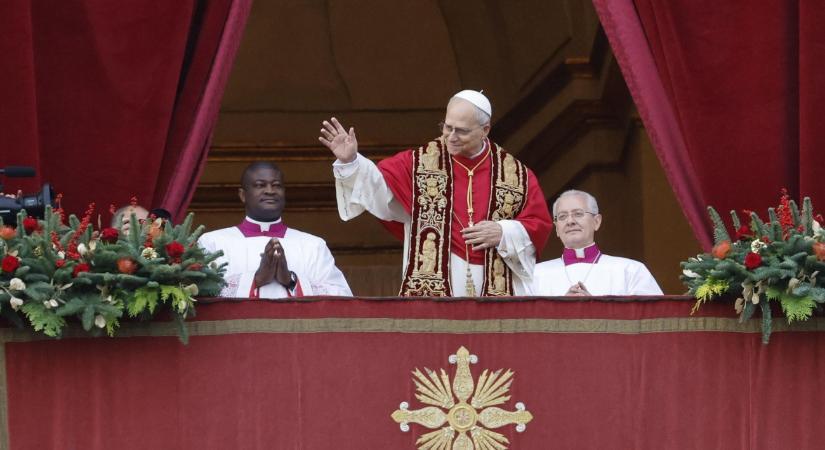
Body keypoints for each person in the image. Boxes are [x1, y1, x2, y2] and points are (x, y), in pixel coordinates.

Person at [319, 90, 552, 296]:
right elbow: (382, 196)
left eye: (461, 131)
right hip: (435, 291)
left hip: (497, 290)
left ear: (485, 130)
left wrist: (504, 232)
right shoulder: (419, 163)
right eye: (447, 127)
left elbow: (539, 224)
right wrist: (351, 161)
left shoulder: (517, 175)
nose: (451, 136)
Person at [198, 161, 352, 299]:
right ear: (243, 195)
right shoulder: (213, 242)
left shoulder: (313, 245)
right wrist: (256, 279)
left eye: (276, 185)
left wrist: (291, 280)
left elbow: (342, 297)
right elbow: (197, 294)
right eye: (260, 185)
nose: (270, 191)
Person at [532, 190, 662, 296]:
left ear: (597, 221)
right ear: (557, 228)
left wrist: (596, 309)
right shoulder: (534, 276)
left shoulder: (630, 271)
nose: (570, 221)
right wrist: (561, 309)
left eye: (578, 214)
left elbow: (651, 320)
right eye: (562, 217)